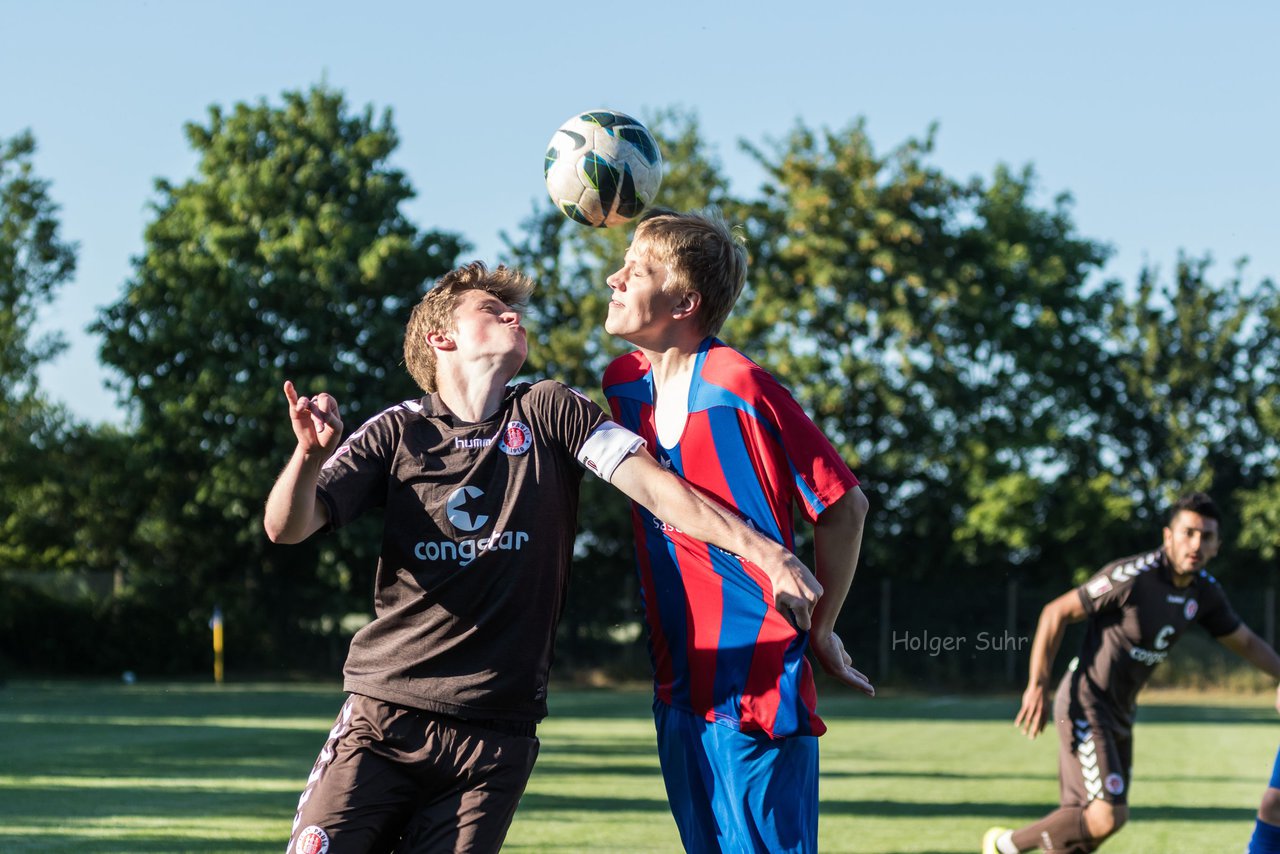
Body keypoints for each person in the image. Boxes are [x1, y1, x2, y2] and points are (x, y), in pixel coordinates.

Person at [264, 261, 827, 854]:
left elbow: (660, 489)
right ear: (441, 337)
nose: (513, 315)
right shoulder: (397, 432)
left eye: (515, 311)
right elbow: (288, 526)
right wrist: (306, 455)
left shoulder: (550, 409)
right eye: (490, 308)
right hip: (386, 716)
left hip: (496, 738)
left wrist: (767, 553)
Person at [600, 208, 873, 854]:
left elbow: (844, 505)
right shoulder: (624, 385)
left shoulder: (738, 385)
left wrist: (824, 626)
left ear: (686, 301)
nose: (614, 279)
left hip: (757, 684)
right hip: (678, 680)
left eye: (635, 271)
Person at [983, 493, 1280, 854]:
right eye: (1188, 533)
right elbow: (1054, 612)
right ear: (1168, 535)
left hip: (1122, 711)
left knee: (1091, 822)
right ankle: (1002, 845)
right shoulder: (1131, 578)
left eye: (1207, 537)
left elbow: (1246, 643)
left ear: (1218, 545)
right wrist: (1037, 684)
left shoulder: (1205, 593)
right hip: (1086, 703)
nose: (1197, 544)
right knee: (1107, 815)